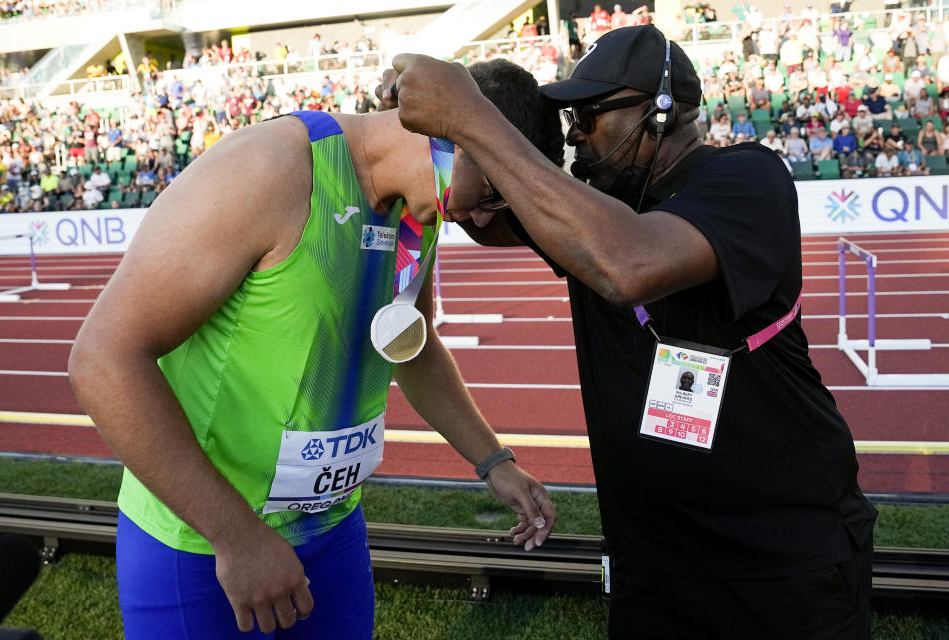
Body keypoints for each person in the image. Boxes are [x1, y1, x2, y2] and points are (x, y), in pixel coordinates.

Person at [387, 24, 876, 639]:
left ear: (661, 112)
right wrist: (453, 151)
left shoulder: (746, 179)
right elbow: (487, 217)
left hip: (779, 558)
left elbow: (628, 266)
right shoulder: (592, 210)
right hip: (651, 561)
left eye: (590, 115)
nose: (576, 135)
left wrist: (473, 120)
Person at [68, 59, 561, 640]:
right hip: (203, 542)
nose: (478, 218)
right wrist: (237, 538)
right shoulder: (271, 167)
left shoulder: (418, 210)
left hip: (330, 528)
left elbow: (410, 343)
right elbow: (103, 358)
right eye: (493, 194)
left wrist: (492, 461)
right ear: (454, 134)